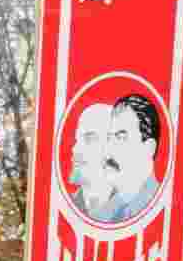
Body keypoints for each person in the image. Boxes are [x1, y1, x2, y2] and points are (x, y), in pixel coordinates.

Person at [106, 93, 161, 221]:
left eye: (121, 137)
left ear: (149, 148)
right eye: (109, 138)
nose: (108, 150)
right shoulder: (107, 211)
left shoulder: (157, 209)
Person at [69, 101, 116, 221]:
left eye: (89, 139)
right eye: (77, 139)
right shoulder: (63, 207)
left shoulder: (132, 210)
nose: (75, 149)